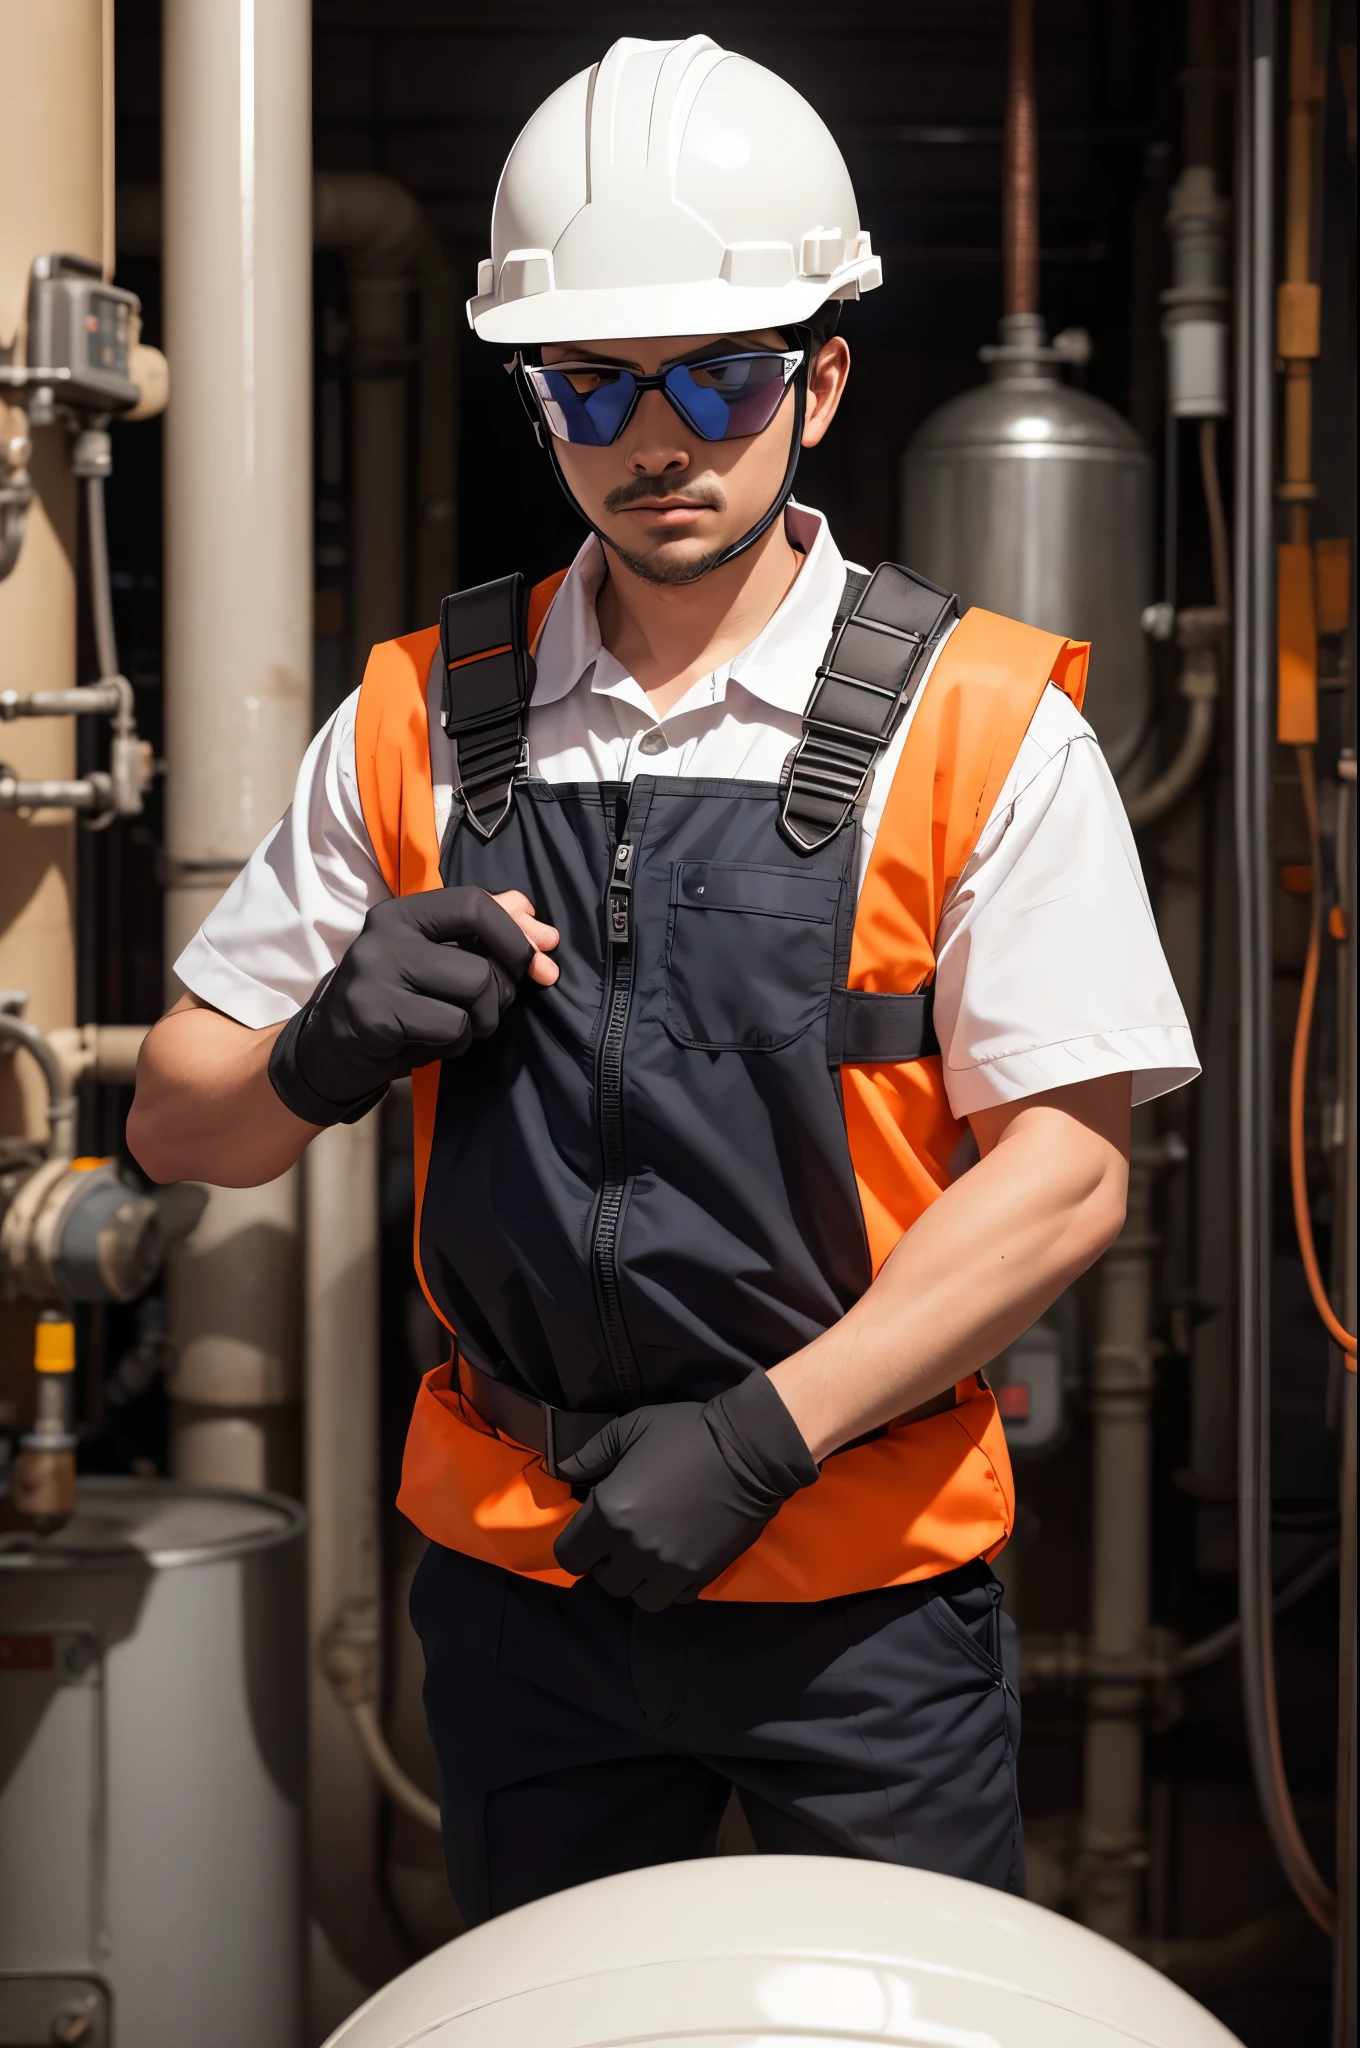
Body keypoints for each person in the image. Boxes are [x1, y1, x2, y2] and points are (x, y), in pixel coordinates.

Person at [128, 34, 1197, 1924]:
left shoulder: (978, 723)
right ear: (535, 400)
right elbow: (180, 1129)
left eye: (720, 372)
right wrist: (325, 1041)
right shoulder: (417, 719)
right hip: (522, 1586)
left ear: (823, 377)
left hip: (859, 1590)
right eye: (595, 386)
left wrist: (767, 1434)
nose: (661, 434)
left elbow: (1067, 1172)